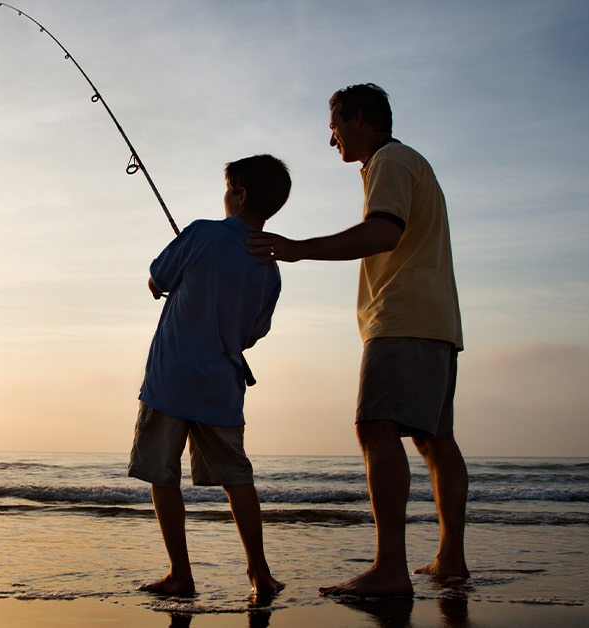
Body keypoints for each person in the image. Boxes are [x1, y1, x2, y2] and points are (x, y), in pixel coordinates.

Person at [247, 83, 469, 597]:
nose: (332, 141)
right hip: (437, 322)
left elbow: (382, 233)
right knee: (434, 440)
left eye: (334, 127)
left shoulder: (389, 161)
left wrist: (297, 249)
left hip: (402, 319)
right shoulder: (412, 162)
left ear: (360, 119)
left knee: (375, 428)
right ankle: (450, 559)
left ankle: (390, 568)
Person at [129, 154, 291, 597]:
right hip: (221, 386)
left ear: (238, 195)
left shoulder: (202, 232)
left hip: (169, 380)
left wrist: (168, 283)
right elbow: (254, 333)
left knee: (164, 476)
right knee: (237, 478)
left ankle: (181, 574)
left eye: (227, 189)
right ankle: (259, 572)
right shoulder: (270, 267)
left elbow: (156, 278)